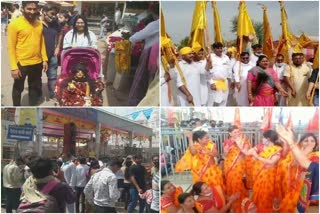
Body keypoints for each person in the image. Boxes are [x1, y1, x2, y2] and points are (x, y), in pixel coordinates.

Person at [8, 1, 48, 106]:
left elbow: (41, 42)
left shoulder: (39, 24)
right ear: (23, 9)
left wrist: (44, 59)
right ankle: (16, 108)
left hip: (37, 62)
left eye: (34, 9)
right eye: (29, 9)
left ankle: (32, 108)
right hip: (21, 64)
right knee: (18, 88)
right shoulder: (14, 24)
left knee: (34, 88)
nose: (32, 11)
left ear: (38, 10)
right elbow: (11, 47)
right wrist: (13, 67)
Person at [276, 125, 319, 213]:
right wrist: (304, 152)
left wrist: (305, 152)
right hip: (293, 185)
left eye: (312, 141)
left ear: (316, 143)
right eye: (306, 140)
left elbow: (307, 165)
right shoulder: (297, 153)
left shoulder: (316, 155)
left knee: (299, 209)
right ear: (301, 143)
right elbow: (293, 164)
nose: (309, 143)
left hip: (305, 188)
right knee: (287, 207)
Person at [128, 6, 159, 105]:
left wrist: (130, 40)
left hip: (150, 54)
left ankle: (136, 102)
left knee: (141, 79)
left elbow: (136, 37)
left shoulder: (155, 24)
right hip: (156, 55)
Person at [247, 129, 283, 212]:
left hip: (269, 175)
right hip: (258, 174)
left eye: (263, 138)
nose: (262, 139)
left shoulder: (277, 149)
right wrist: (251, 151)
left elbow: (272, 162)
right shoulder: (260, 146)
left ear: (268, 139)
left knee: (266, 194)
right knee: (257, 191)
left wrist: (257, 157)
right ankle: (256, 209)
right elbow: (249, 153)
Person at [223, 125, 250, 212]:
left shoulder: (244, 141)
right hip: (229, 165)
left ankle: (241, 203)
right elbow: (225, 155)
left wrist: (239, 143)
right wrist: (226, 150)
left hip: (239, 166)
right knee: (230, 183)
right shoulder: (227, 141)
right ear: (230, 133)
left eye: (238, 132)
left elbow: (246, 153)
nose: (237, 134)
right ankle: (233, 203)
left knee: (237, 183)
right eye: (235, 132)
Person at [40, 4, 62, 100]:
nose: (54, 16)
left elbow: (60, 33)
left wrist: (58, 47)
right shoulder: (37, 23)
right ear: (44, 12)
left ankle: (52, 94)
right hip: (38, 56)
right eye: (52, 13)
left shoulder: (55, 23)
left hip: (52, 55)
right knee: (36, 78)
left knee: (52, 77)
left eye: (55, 14)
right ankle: (37, 95)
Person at [207, 42, 232, 106]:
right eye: (217, 48)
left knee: (224, 100)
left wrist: (231, 80)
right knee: (212, 102)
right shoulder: (210, 57)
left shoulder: (226, 57)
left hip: (224, 82)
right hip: (214, 83)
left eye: (221, 48)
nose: (220, 50)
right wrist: (211, 82)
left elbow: (229, 69)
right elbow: (207, 72)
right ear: (213, 49)